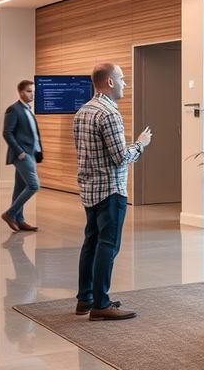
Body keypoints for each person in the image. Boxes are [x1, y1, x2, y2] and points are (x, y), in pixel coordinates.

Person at [73, 63, 151, 321]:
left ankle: (85, 299)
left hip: (89, 189)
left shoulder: (83, 111)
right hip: (111, 190)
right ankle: (101, 304)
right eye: (122, 79)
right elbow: (120, 157)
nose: (124, 83)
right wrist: (140, 144)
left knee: (91, 243)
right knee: (108, 246)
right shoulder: (109, 114)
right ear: (109, 82)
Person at [1, 80, 43, 232]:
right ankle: (10, 214)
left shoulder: (28, 110)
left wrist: (38, 151)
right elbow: (7, 133)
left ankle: (19, 220)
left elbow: (33, 134)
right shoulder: (13, 109)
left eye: (33, 92)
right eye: (29, 91)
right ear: (20, 92)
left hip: (31, 153)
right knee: (34, 185)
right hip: (22, 155)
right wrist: (19, 152)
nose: (32, 94)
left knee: (20, 187)